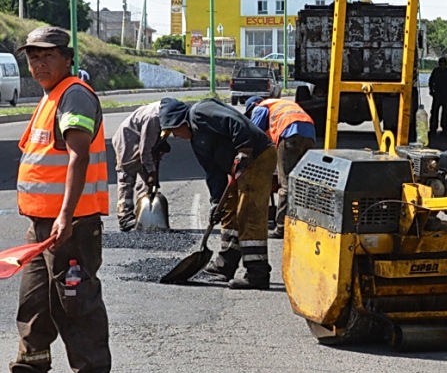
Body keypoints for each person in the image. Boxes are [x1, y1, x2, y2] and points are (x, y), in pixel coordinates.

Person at [0, 26, 113, 373]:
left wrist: (65, 215)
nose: (39, 63)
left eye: (47, 55)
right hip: (42, 226)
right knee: (34, 304)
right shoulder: (51, 97)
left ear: (68, 58)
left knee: (75, 304)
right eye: (33, 57)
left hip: (71, 225)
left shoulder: (73, 95)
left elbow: (78, 156)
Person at [159, 97, 277, 290]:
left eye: (174, 130)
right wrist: (216, 202)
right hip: (239, 167)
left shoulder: (201, 111)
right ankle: (225, 264)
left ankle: (257, 273)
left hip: (257, 157)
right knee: (228, 210)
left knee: (248, 213)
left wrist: (244, 149)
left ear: (181, 121)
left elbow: (234, 122)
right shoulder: (197, 143)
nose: (175, 136)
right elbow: (213, 173)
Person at [244, 95, 316, 239]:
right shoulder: (281, 104)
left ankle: (281, 227)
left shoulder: (261, 107)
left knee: (286, 185)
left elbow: (254, 135)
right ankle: (304, 224)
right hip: (310, 134)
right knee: (303, 182)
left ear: (254, 106)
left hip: (290, 134)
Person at [111, 100, 169, 231]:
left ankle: (143, 216)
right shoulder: (153, 118)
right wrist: (152, 172)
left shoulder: (169, 114)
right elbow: (145, 151)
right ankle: (125, 218)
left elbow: (153, 142)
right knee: (127, 177)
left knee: (146, 180)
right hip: (127, 140)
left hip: (142, 137)